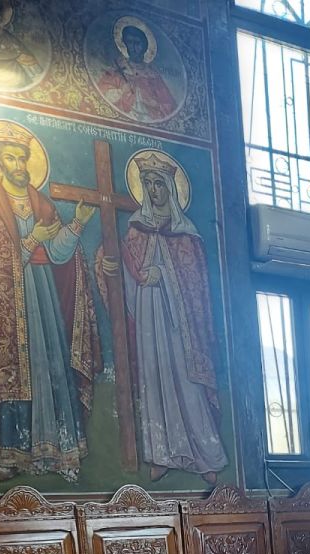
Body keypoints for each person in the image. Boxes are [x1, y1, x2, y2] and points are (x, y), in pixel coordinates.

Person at [0, 122, 100, 482]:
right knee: (14, 370)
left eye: (22, 158)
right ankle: (13, 453)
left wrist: (77, 225)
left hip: (43, 296)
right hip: (7, 305)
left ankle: (60, 451)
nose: (18, 165)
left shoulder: (42, 204)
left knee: (52, 365)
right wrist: (30, 239)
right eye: (11, 158)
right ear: (0, 162)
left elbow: (58, 254)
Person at [120, 150, 227, 484]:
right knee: (154, 378)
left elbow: (196, 282)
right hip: (148, 313)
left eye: (159, 183)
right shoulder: (135, 228)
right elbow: (127, 268)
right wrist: (130, 272)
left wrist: (163, 275)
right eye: (148, 184)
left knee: (186, 378)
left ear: (170, 187)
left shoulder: (186, 233)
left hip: (181, 321)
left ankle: (206, 456)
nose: (154, 190)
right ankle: (161, 454)